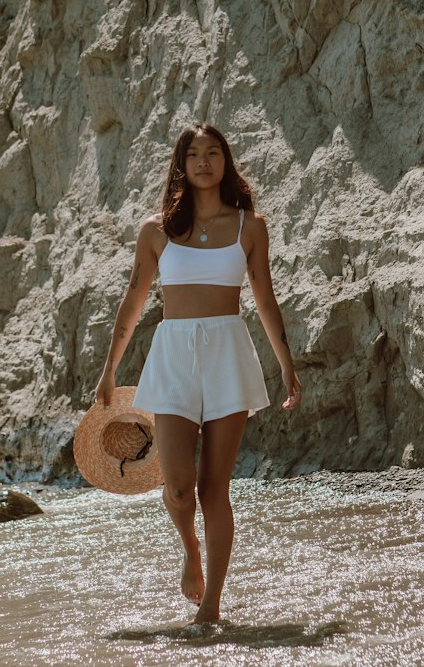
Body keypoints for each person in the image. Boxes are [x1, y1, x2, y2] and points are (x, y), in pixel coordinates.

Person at [94, 123, 302, 625]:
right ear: (181, 165)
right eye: (194, 154)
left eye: (213, 153)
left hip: (228, 355)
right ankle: (190, 550)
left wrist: (286, 365)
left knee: (214, 490)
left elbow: (265, 298)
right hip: (172, 357)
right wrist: (109, 370)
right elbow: (134, 301)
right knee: (179, 488)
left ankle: (211, 607)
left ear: (226, 162)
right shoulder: (157, 232)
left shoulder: (250, 226)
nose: (204, 162)